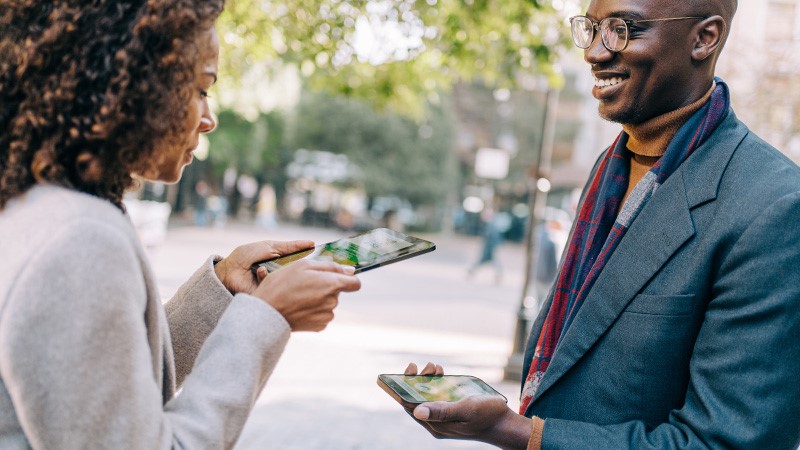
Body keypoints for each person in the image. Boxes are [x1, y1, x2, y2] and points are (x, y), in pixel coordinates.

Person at [402, 0, 800, 448]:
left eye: (623, 29)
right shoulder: (609, 167)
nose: (594, 52)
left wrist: (518, 433)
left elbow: (727, 441)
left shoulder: (775, 207)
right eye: (591, 29)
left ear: (704, 38)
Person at [0, 1, 361, 448]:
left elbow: (105, 387)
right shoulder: (79, 237)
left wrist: (221, 293)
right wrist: (269, 317)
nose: (208, 119)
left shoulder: (36, 204)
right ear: (128, 87)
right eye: (199, 89)